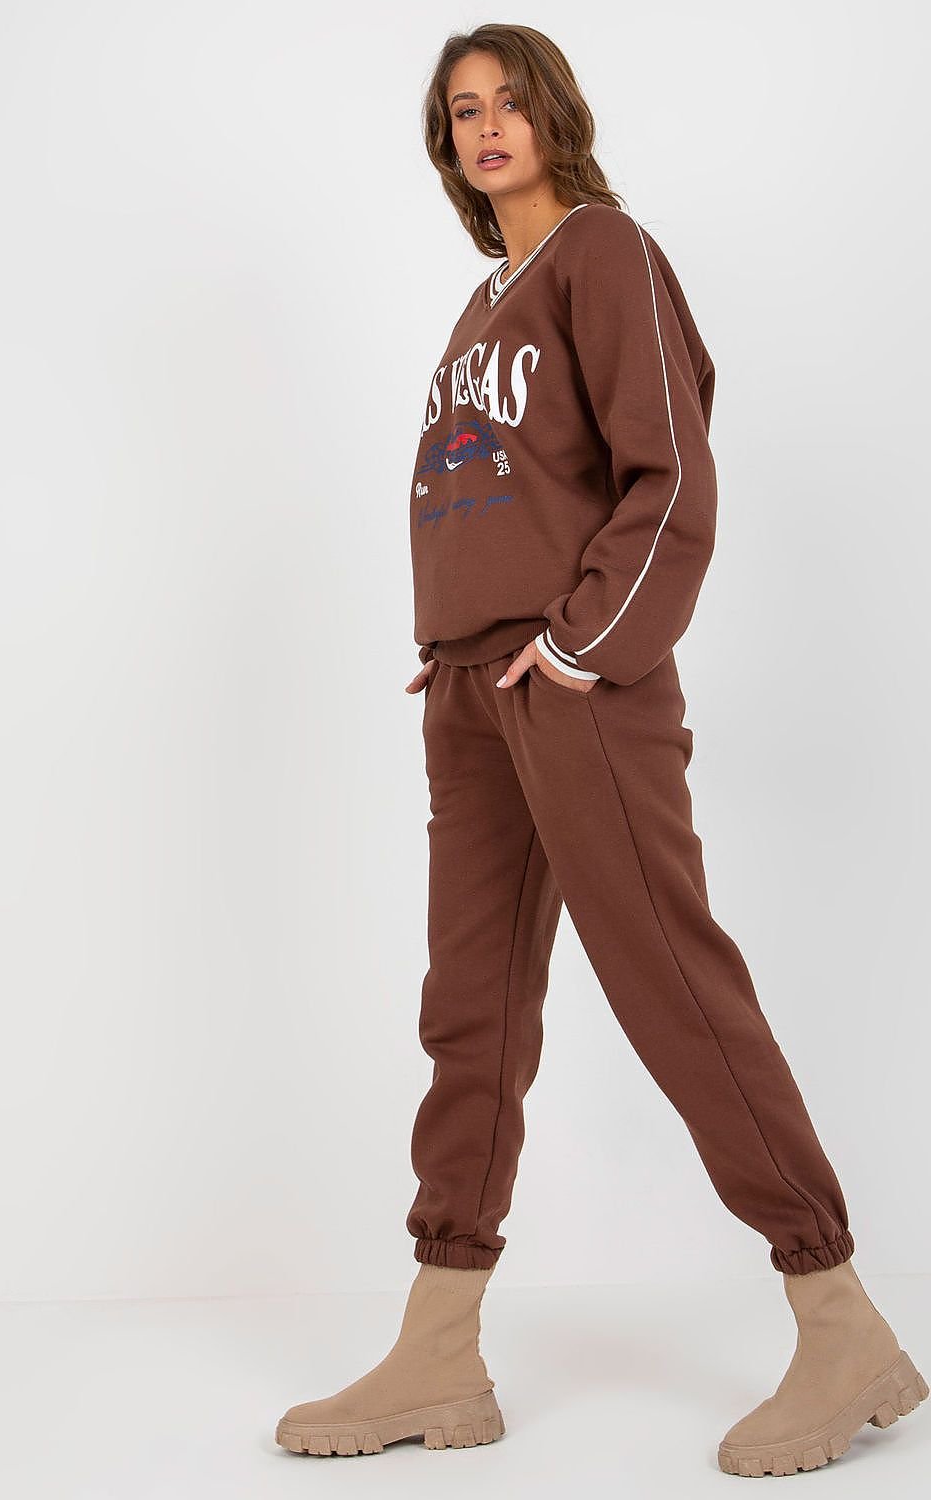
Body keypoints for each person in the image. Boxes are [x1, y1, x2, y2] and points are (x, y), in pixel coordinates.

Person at [275, 23, 927, 1472]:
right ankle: (440, 1348)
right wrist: (459, 643)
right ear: (445, 144)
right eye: (463, 110)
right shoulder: (479, 306)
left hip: (577, 682)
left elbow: (671, 474)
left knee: (670, 983)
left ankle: (839, 1321)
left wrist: (576, 648)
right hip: (472, 687)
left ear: (556, 115)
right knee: (471, 1010)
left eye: (510, 101)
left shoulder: (605, 253)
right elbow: (493, 490)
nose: (487, 126)